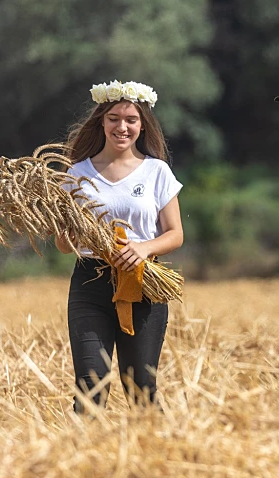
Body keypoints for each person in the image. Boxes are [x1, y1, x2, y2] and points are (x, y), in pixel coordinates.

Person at [55, 80, 183, 412]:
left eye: (131, 119)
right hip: (90, 284)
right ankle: (81, 461)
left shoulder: (157, 172)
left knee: (141, 386)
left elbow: (174, 234)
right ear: (102, 120)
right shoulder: (77, 174)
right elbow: (62, 244)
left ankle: (154, 457)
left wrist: (143, 248)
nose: (121, 127)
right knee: (90, 384)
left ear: (142, 125)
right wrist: (75, 233)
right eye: (114, 118)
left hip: (142, 283)